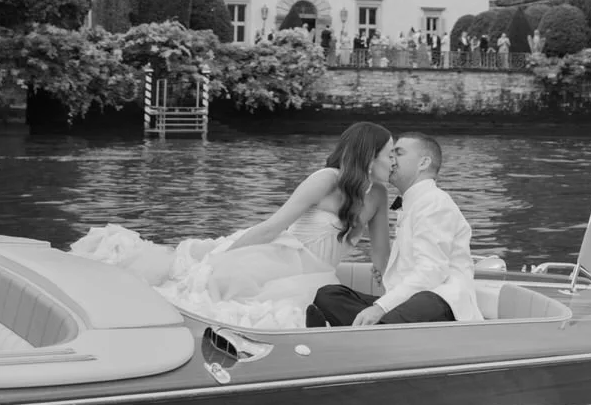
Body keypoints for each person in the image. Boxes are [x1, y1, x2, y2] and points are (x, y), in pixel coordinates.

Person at [70, 122, 395, 325]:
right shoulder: (326, 179)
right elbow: (273, 227)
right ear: (369, 157)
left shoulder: (378, 195)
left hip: (318, 272)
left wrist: (397, 294)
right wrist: (222, 256)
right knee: (212, 286)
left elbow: (381, 254)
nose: (394, 161)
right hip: (282, 257)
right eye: (390, 154)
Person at [308, 132, 482, 327]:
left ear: (423, 163)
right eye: (390, 154)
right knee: (328, 295)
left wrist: (380, 307)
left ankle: (371, 330)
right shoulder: (411, 203)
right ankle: (374, 330)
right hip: (408, 303)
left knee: (420, 302)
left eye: (398, 153)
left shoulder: (435, 202)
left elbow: (432, 271)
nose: (391, 159)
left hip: (440, 300)